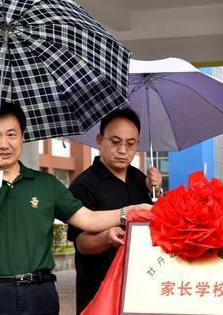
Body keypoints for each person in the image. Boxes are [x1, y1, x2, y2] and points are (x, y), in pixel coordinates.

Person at [0, 101, 151, 315]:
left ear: (23, 137)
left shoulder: (45, 184)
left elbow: (88, 219)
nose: (4, 144)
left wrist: (130, 211)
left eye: (12, 134)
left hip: (39, 292)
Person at [66, 108, 161, 314]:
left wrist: (157, 190)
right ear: (100, 140)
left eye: (130, 143)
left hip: (139, 291)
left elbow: (158, 224)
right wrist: (107, 238)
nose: (123, 150)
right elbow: (81, 243)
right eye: (116, 142)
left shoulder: (140, 179)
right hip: (99, 292)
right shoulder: (83, 185)